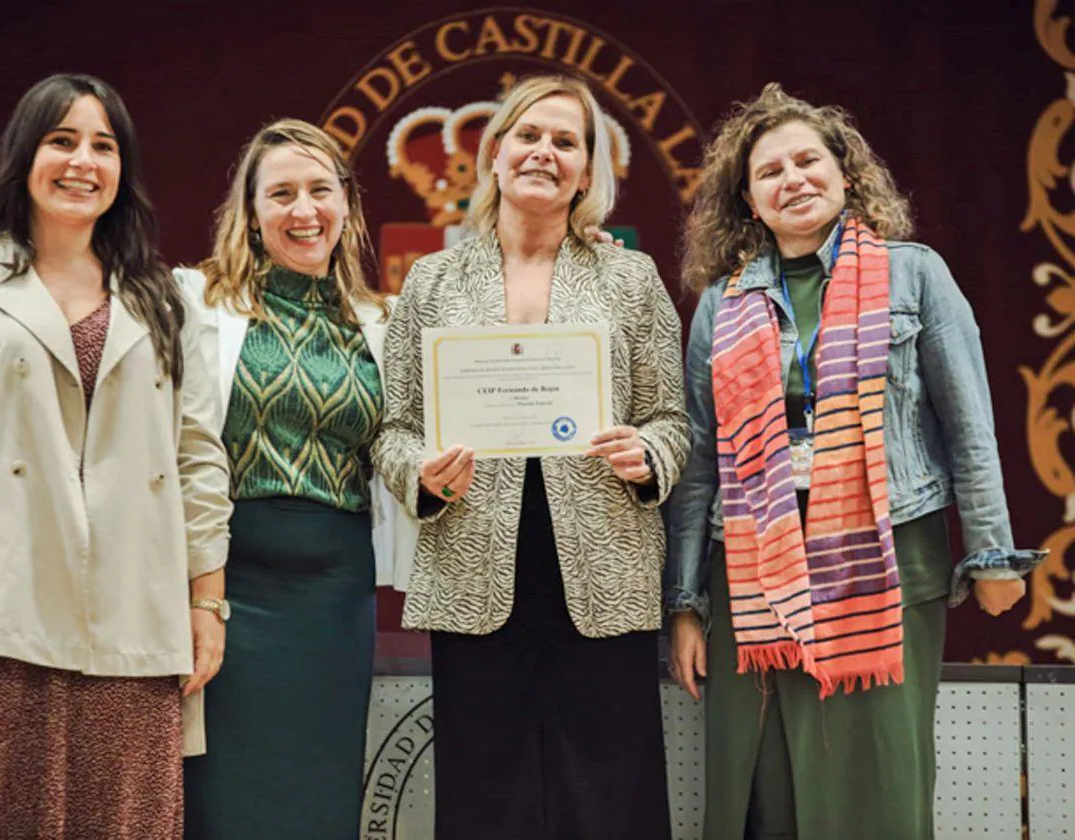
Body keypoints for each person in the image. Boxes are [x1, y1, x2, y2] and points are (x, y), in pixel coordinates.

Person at [664, 82, 1046, 840]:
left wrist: (994, 553)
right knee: (765, 786)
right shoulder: (721, 302)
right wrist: (684, 600)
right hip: (748, 568)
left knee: (876, 773)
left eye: (809, 161)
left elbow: (969, 423)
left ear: (846, 173)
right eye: (770, 172)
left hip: (889, 555)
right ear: (747, 198)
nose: (793, 180)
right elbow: (701, 458)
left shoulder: (914, 274)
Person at [0, 73, 232, 838]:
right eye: (62, 140)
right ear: (23, 155)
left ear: (124, 170)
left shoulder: (160, 297)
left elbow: (199, 458)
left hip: (133, 623)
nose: (83, 162)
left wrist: (206, 602)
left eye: (103, 146)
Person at [371, 74, 691, 840]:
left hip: (605, 571)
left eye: (566, 141)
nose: (544, 152)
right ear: (496, 152)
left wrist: (647, 452)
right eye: (529, 135)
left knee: (613, 797)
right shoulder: (433, 279)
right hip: (475, 571)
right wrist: (419, 472)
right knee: (486, 800)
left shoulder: (630, 278)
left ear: (588, 170)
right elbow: (393, 427)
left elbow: (674, 420)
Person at [177, 118, 415, 839]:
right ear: (250, 213)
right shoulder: (191, 301)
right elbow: (82, 288)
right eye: (281, 194)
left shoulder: (385, 321)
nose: (303, 210)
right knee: (222, 796)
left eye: (320, 190)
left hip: (335, 593)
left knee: (318, 795)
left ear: (348, 204)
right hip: (224, 586)